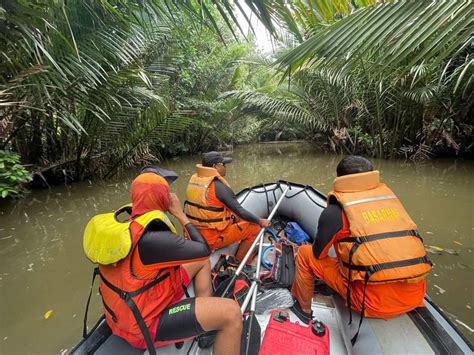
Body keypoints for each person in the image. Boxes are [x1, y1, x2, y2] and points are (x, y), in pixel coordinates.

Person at [84, 168, 242, 355]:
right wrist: (180, 214)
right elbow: (203, 249)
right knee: (232, 313)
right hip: (144, 326)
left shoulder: (125, 227)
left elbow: (200, 258)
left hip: (123, 315)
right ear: (162, 198)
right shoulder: (153, 238)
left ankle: (203, 323)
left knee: (202, 263)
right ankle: (210, 319)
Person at [290, 156, 431, 343]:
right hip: (415, 295)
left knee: (305, 254)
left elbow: (318, 254)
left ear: (339, 179)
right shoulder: (390, 201)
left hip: (373, 303)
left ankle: (304, 309)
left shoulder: (334, 212)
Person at [184, 151, 271, 261]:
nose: (225, 167)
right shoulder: (219, 187)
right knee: (255, 228)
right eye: (223, 164)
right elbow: (241, 211)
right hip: (211, 239)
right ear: (215, 166)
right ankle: (241, 261)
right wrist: (261, 221)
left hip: (195, 234)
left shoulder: (196, 182)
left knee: (238, 218)